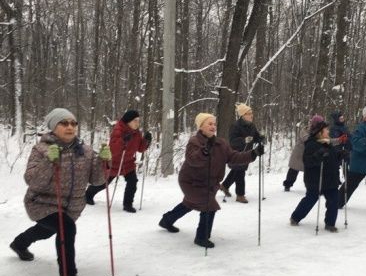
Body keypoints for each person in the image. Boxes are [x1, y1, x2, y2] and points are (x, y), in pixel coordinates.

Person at [10, 108, 111, 276]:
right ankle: (67, 274)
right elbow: (32, 181)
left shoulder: (86, 151)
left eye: (73, 123)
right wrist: (49, 161)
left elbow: (97, 180)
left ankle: (19, 243)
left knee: (46, 231)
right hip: (41, 202)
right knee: (66, 227)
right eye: (64, 123)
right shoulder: (41, 149)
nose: (70, 127)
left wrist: (103, 163)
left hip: (72, 206)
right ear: (53, 127)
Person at [158, 113, 263, 248]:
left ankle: (166, 220)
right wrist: (204, 150)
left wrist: (253, 153)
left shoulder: (221, 143)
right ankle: (202, 237)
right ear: (201, 126)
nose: (213, 126)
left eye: (214, 124)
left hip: (209, 183)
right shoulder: (194, 141)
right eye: (209, 124)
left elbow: (234, 157)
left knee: (190, 203)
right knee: (209, 205)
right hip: (191, 182)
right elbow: (193, 160)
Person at [85, 110, 151, 212]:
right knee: (104, 183)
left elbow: (140, 149)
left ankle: (127, 204)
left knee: (132, 182)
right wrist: (123, 140)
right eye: (135, 121)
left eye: (138, 120)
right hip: (114, 163)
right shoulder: (118, 130)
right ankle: (88, 195)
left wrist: (146, 141)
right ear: (128, 121)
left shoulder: (136, 133)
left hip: (128, 163)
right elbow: (114, 149)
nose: (137, 123)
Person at [290, 120, 341, 231]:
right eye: (326, 129)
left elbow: (332, 159)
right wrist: (318, 155)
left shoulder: (328, 143)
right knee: (310, 199)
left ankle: (330, 223)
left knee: (334, 200)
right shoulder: (311, 144)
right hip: (315, 180)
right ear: (319, 132)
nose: (328, 131)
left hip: (330, 179)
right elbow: (307, 162)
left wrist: (340, 156)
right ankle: (295, 217)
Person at [219, 103, 263, 203]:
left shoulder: (252, 125)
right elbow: (232, 141)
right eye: (249, 113)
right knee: (240, 172)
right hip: (236, 153)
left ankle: (224, 185)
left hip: (247, 152)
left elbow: (256, 136)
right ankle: (240, 195)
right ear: (243, 115)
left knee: (236, 170)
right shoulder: (235, 126)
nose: (251, 115)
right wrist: (244, 140)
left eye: (251, 113)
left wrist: (261, 138)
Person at [282, 115, 324, 191]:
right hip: (299, 154)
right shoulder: (305, 130)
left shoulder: (320, 131)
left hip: (309, 155)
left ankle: (311, 186)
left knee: (310, 171)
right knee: (293, 170)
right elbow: (307, 139)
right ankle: (287, 185)